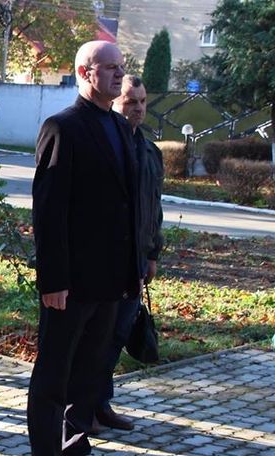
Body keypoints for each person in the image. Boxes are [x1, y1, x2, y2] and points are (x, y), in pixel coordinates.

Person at [28, 40, 140, 456]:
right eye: (108, 67)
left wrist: (134, 271)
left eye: (121, 68)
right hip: (70, 282)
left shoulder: (118, 125)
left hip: (111, 280)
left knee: (90, 375)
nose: (117, 75)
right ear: (84, 72)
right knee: (54, 376)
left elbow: (128, 207)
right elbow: (49, 210)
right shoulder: (63, 126)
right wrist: (53, 279)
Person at [92, 74, 163, 433]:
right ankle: (82, 407)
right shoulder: (106, 143)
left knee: (118, 334)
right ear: (115, 102)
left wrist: (152, 254)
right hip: (105, 260)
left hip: (135, 260)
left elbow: (154, 208)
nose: (138, 108)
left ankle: (100, 402)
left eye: (142, 101)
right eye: (130, 101)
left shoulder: (150, 151)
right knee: (96, 337)